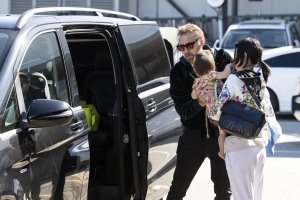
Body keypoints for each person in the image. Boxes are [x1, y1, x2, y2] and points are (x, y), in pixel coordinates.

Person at [167, 23, 232, 200]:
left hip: (222, 134)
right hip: (192, 136)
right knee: (177, 190)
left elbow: (237, 92)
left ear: (201, 41)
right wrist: (200, 102)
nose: (186, 51)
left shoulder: (222, 58)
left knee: (224, 191)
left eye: (190, 45)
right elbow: (183, 111)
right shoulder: (179, 71)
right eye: (181, 47)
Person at [209, 37, 276, 200]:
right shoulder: (260, 79)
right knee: (255, 196)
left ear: (243, 57)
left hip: (239, 147)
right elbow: (269, 113)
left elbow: (215, 112)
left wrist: (212, 92)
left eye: (236, 55)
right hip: (259, 145)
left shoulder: (233, 80)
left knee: (242, 197)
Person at [191, 51, 232, 159]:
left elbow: (194, 97)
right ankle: (224, 150)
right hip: (220, 109)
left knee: (221, 132)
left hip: (211, 114)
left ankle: (222, 152)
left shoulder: (196, 81)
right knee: (223, 132)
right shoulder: (212, 75)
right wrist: (229, 65)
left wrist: (198, 91)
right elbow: (226, 74)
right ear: (212, 66)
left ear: (195, 69)